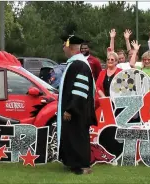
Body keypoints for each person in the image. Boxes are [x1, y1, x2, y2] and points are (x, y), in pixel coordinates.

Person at [57, 34, 96, 175]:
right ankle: (72, 162)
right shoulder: (75, 64)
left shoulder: (80, 65)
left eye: (64, 46)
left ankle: (82, 166)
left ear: (71, 48)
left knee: (78, 137)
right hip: (74, 110)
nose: (63, 49)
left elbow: (80, 90)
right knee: (72, 136)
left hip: (77, 111)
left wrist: (71, 109)